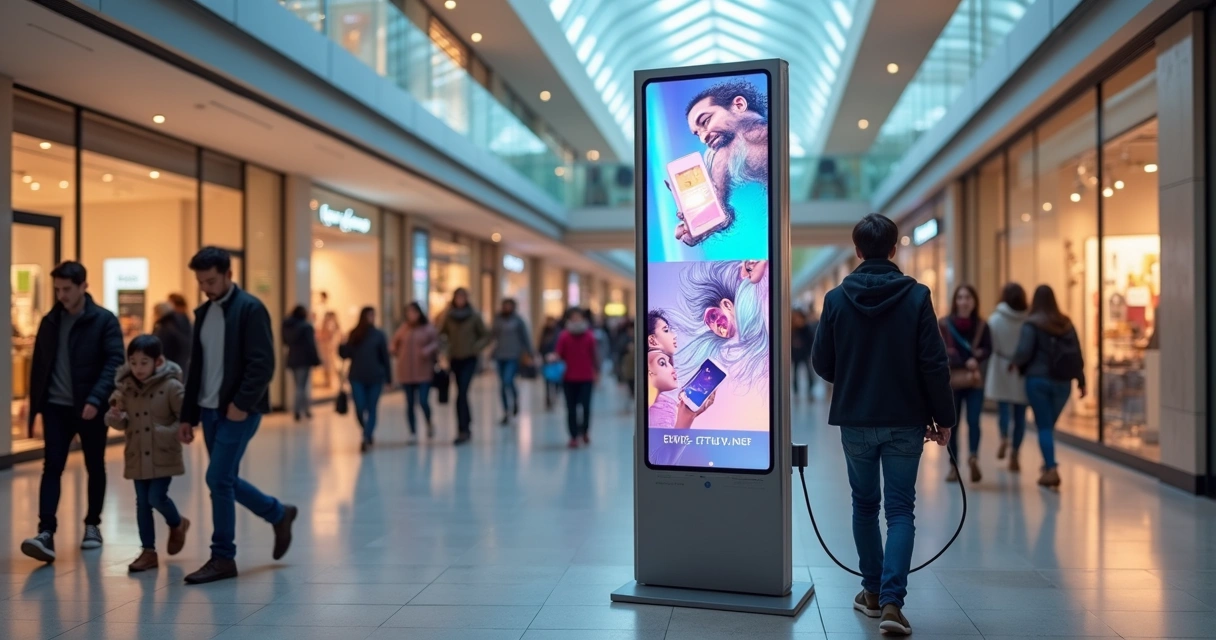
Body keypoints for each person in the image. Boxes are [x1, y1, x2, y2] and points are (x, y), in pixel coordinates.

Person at [811, 213, 955, 636]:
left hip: (856, 418)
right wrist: (944, 418)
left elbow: (822, 362)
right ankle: (892, 604)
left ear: (857, 251)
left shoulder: (837, 299)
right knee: (900, 510)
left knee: (864, 505)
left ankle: (872, 592)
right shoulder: (916, 296)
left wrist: (854, 374)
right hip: (906, 419)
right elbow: (934, 364)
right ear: (895, 249)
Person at [178, 246, 297, 584]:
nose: (206, 287)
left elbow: (263, 364)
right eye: (201, 282)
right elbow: (196, 367)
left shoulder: (250, 309)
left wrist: (242, 404)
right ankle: (278, 513)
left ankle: (222, 557)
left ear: (230, 274)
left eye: (212, 281)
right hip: (209, 409)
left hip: (237, 411)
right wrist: (188, 415)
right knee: (224, 478)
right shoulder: (203, 313)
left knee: (217, 479)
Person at [20, 261, 124, 563]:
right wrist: (34, 406)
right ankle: (46, 532)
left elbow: (115, 361)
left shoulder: (104, 320)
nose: (61, 295)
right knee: (52, 466)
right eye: (58, 289)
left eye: (67, 289)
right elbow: (39, 366)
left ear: (83, 287)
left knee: (95, 465)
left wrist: (96, 398)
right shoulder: (50, 320)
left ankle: (93, 525)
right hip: (56, 407)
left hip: (91, 407)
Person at [104, 335, 191, 573]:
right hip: (136, 453)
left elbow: (185, 419)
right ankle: (148, 551)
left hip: (163, 452)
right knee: (142, 503)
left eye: (144, 362)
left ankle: (177, 523)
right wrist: (115, 418)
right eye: (133, 362)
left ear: (158, 361)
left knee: (156, 497)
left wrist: (164, 433)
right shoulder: (125, 389)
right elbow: (120, 421)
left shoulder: (171, 386)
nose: (138, 368)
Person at [673, 79, 770, 249]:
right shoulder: (722, 157)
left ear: (739, 105)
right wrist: (698, 228)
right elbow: (721, 215)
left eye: (705, 121)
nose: (703, 138)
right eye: (697, 134)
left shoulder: (778, 133)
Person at [1013, 285, 1086, 489]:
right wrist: (1081, 381)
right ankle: (1047, 466)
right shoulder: (1066, 323)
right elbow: (1077, 354)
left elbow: (1023, 352)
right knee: (1048, 426)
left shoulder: (1031, 324)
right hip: (1063, 384)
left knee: (1044, 426)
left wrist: (1014, 363)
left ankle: (1051, 468)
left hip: (1037, 382)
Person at [940, 285, 992, 483]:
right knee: (952, 424)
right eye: (960, 297)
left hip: (974, 382)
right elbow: (941, 351)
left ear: (974, 301)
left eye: (968, 297)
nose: (964, 301)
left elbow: (988, 348)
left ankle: (973, 457)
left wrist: (976, 358)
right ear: (955, 301)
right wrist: (965, 361)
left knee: (974, 420)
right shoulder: (944, 324)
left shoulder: (981, 325)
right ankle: (953, 466)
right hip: (952, 382)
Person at [985, 283, 1030, 472]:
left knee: (1003, 409)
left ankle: (1004, 437)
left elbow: (990, 345)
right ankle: (1015, 453)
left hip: (1001, 366)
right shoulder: (1028, 320)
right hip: (1022, 368)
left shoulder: (995, 319)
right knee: (1020, 415)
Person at [439, 288, 489, 445]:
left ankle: (464, 428)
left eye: (463, 297)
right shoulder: (448, 316)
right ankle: (463, 425)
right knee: (460, 394)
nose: (460, 300)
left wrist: (476, 347)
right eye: (458, 297)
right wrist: (446, 349)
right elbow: (440, 334)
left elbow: (486, 335)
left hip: (470, 359)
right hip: (455, 358)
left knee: (462, 393)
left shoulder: (474, 316)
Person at [340, 307, 392, 452]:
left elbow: (385, 358)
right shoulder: (355, 334)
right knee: (359, 407)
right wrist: (342, 344)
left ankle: (366, 436)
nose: (372, 318)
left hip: (375, 377)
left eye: (373, 315)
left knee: (372, 407)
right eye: (369, 315)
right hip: (357, 376)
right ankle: (366, 429)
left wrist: (389, 378)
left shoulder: (379, 335)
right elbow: (346, 354)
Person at [391, 302, 439, 442]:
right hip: (406, 372)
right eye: (409, 312)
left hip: (423, 371)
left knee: (423, 401)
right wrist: (394, 350)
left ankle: (429, 422)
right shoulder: (403, 329)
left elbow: (436, 343)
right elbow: (394, 343)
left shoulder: (428, 329)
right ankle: (412, 431)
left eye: (414, 312)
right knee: (409, 403)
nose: (411, 315)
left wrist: (427, 350)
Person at [556, 308, 599, 448]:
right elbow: (559, 354)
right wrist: (553, 358)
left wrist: (597, 372)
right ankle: (573, 436)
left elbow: (595, 356)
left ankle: (585, 431)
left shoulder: (589, 336)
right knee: (571, 408)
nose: (576, 320)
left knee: (586, 407)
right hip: (569, 378)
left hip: (586, 377)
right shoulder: (564, 336)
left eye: (578, 317)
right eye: (573, 318)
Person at [490, 298, 533, 425]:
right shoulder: (497, 319)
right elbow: (492, 335)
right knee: (502, 384)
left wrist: (530, 353)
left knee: (508, 380)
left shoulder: (518, 321)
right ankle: (506, 411)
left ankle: (514, 400)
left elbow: (525, 337)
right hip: (500, 355)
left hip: (514, 356)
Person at [282, 305, 322, 422]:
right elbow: (311, 345)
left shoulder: (288, 326)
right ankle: (298, 410)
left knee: (299, 386)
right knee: (301, 386)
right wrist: (316, 359)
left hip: (292, 358)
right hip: (304, 359)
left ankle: (305, 409)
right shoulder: (306, 327)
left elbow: (285, 341)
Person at [153, 302, 192, 372]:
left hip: (168, 367)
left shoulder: (165, 328)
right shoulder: (179, 324)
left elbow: (161, 348)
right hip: (181, 365)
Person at [537, 317, 561, 410]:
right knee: (547, 380)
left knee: (555, 380)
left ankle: (554, 395)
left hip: (555, 359)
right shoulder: (544, 332)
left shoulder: (558, 333)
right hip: (545, 359)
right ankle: (548, 398)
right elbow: (540, 345)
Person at [791, 308, 814, 398]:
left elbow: (810, 341)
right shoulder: (792, 329)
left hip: (805, 354)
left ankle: (810, 390)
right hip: (796, 355)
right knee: (795, 373)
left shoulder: (806, 329)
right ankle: (796, 391)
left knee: (809, 373)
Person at [317, 311, 341, 390]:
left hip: (331, 347)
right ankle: (327, 381)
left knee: (331, 365)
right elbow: (324, 334)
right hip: (326, 347)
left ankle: (330, 382)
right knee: (327, 365)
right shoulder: (326, 324)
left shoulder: (332, 324)